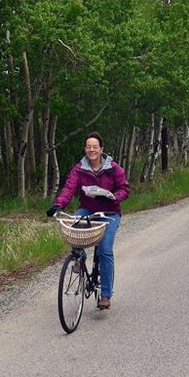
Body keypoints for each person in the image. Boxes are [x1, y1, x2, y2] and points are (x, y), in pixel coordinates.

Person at [47, 131, 130, 310]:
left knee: (105, 249)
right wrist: (58, 205)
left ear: (101, 149)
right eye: (88, 147)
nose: (91, 150)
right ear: (85, 149)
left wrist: (113, 198)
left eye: (95, 147)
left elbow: (125, 189)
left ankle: (106, 295)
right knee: (74, 226)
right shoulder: (80, 168)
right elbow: (69, 188)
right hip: (88, 209)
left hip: (110, 212)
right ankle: (79, 257)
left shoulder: (114, 168)